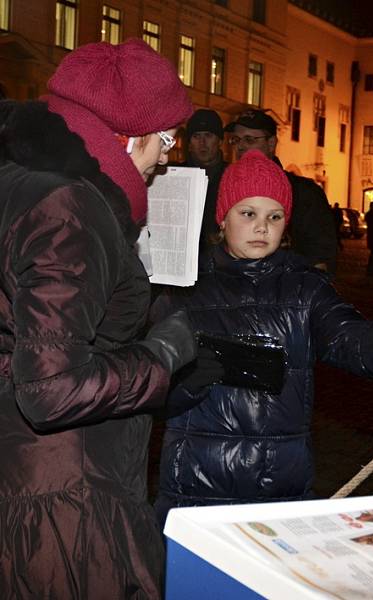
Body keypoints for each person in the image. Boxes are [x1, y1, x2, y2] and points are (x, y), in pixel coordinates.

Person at [0, 40, 200, 598]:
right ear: (129, 136)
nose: (167, 156)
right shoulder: (71, 207)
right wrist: (160, 354)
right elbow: (51, 387)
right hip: (66, 497)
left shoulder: (23, 176)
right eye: (165, 138)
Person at [154, 150, 373, 522]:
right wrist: (185, 382)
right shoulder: (185, 287)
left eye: (274, 217)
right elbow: (148, 385)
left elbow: (347, 336)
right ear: (223, 218)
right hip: (198, 480)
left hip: (278, 482)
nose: (262, 227)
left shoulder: (305, 287)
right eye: (248, 214)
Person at [225, 109, 338, 274]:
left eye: (249, 139)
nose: (240, 146)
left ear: (271, 143)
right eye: (236, 140)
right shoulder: (228, 190)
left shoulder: (304, 193)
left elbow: (321, 258)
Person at [180, 108, 228, 254]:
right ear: (189, 142)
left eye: (208, 135)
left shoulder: (232, 176)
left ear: (220, 140)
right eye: (196, 136)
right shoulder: (176, 176)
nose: (202, 142)